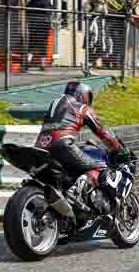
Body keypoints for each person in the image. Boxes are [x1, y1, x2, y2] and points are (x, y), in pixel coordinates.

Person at [34, 81, 129, 213]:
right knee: (96, 166)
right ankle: (75, 192)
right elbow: (102, 132)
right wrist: (118, 148)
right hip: (62, 145)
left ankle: (67, 198)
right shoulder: (82, 108)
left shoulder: (56, 103)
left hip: (40, 146)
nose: (88, 100)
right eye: (87, 96)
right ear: (81, 95)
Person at [26, 0, 53, 71]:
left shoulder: (31, 2)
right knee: (43, 46)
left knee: (32, 44)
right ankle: (42, 64)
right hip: (43, 26)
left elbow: (27, 12)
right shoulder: (46, 2)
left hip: (34, 26)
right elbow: (50, 12)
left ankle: (28, 62)